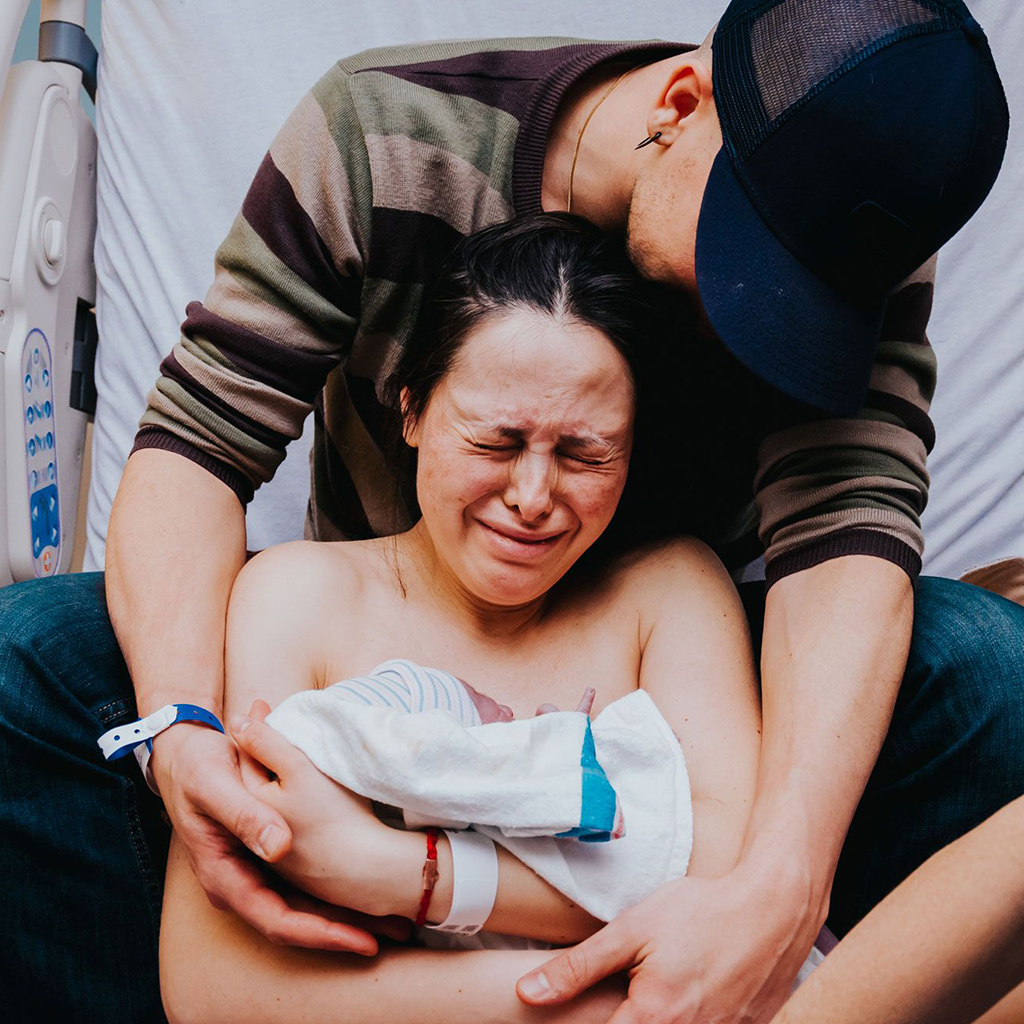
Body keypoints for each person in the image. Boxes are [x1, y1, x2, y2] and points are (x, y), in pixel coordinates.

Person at [0, 3, 1018, 1023]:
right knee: (32, 658)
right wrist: (180, 730)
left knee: (988, 668)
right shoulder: (378, 134)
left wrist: (783, 881)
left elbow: (848, 530)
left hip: (686, 680)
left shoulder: (846, 238)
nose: (767, 317)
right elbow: (196, 446)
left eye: (807, 306)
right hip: (381, 647)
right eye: (750, 260)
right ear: (678, 103)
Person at [158, 211, 767, 1023]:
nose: (533, 498)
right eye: (494, 442)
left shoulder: (669, 595)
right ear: (410, 412)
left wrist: (393, 870)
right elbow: (215, 990)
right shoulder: (298, 598)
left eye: (585, 454)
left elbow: (730, 899)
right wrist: (611, 991)